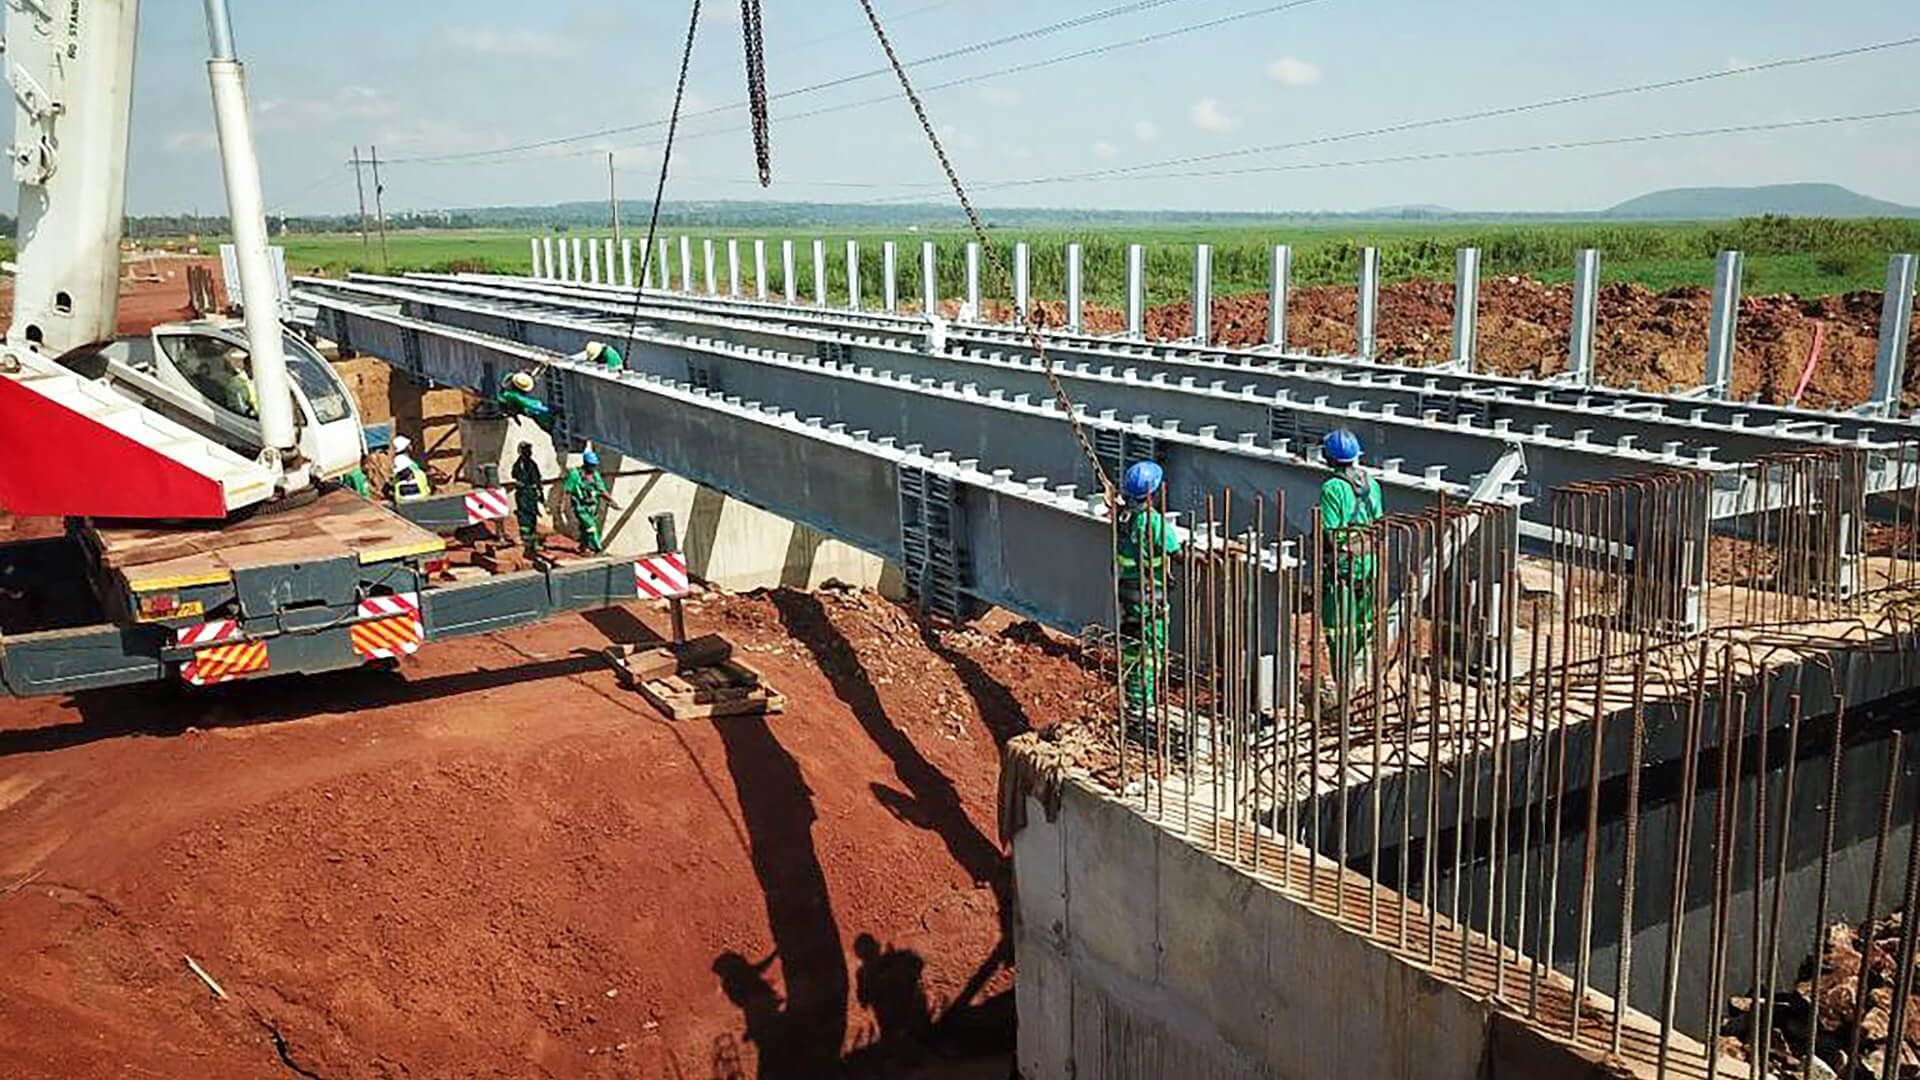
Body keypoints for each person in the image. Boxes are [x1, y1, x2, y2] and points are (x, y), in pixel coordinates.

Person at [1115, 461, 1181, 735]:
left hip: (1128, 592)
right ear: (1152, 493)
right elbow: (1176, 553)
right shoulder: (1153, 521)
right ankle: (1144, 707)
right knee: (1152, 651)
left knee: (1132, 646)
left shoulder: (1123, 517)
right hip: (1149, 595)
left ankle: (1132, 701)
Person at [1318, 428, 1384, 687]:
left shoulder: (1332, 487)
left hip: (1344, 567)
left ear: (1328, 457)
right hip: (1370, 564)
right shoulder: (1372, 483)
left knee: (1338, 628)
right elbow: (1378, 522)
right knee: (1364, 624)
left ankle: (1344, 684)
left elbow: (1331, 532)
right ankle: (1362, 681)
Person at [564, 447, 620, 553]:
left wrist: (612, 502)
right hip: (580, 507)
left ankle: (583, 547)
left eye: (595, 465)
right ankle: (598, 548)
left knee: (585, 529)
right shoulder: (575, 475)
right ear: (586, 464)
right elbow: (568, 491)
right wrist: (564, 506)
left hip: (592, 507)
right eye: (591, 465)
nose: (593, 468)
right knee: (591, 527)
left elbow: (601, 490)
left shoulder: (596, 476)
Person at [511, 442, 545, 558]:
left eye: (529, 450)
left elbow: (538, 480)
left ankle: (533, 543)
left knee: (532, 518)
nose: (529, 452)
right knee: (524, 518)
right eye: (526, 450)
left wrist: (541, 494)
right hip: (522, 494)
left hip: (531, 494)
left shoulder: (532, 464)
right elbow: (514, 475)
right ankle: (526, 543)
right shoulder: (518, 464)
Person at [391, 433, 431, 502]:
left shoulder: (405, 459)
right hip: (411, 496)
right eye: (409, 445)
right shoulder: (400, 459)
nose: (411, 446)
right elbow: (405, 474)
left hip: (419, 494)